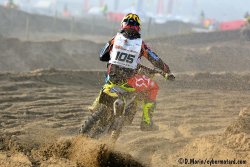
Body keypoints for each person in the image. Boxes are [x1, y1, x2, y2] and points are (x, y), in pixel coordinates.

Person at [89, 13, 174, 131]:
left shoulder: (115, 39)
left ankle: (96, 105)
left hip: (112, 76)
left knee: (108, 77)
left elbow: (102, 56)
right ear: (138, 28)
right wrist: (167, 70)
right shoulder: (141, 45)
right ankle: (146, 122)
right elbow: (156, 60)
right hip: (129, 81)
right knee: (153, 87)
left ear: (123, 24)